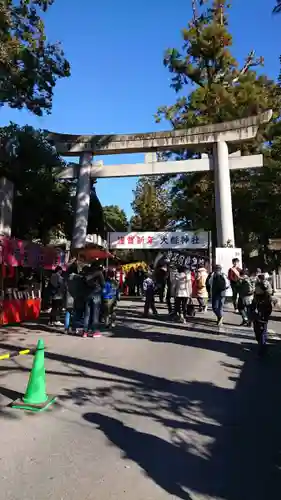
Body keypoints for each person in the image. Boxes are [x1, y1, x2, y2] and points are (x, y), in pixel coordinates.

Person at [251, 273, 273, 355]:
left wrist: (264, 316)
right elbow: (253, 303)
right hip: (256, 313)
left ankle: (262, 347)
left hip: (263, 313)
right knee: (257, 330)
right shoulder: (256, 293)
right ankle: (261, 343)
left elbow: (269, 307)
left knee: (262, 329)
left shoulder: (266, 294)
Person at [83, 262, 105, 338]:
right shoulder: (99, 273)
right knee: (95, 313)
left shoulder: (87, 273)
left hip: (87, 295)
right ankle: (95, 331)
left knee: (87, 314)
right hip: (96, 294)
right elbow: (103, 284)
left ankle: (85, 332)